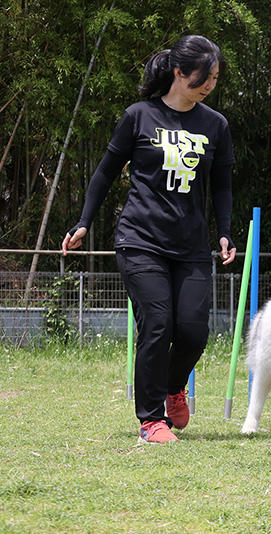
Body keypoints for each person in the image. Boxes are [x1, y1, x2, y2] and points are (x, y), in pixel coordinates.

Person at [62, 35, 236, 443]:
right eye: (203, 77)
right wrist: (84, 220)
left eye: (214, 77)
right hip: (140, 238)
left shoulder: (216, 124)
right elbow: (105, 172)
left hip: (191, 244)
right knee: (157, 323)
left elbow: (223, 185)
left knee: (193, 332)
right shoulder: (139, 116)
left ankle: (175, 388)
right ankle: (151, 420)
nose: (210, 84)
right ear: (179, 73)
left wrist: (225, 232)